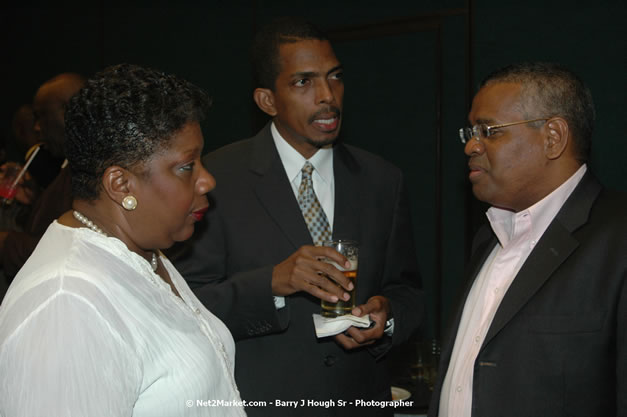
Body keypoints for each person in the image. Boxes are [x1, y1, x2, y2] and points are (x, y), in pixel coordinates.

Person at [170, 17, 423, 416]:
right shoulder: (214, 181)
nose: (328, 96)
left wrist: (386, 318)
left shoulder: (382, 180)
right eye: (303, 82)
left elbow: (408, 290)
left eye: (334, 77)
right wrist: (272, 283)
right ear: (266, 100)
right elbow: (184, 306)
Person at [0, 64, 245, 417]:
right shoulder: (66, 303)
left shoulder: (138, 251)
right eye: (186, 166)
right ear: (121, 185)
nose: (207, 181)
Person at [429, 62, 627, 417]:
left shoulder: (618, 237)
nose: (471, 146)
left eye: (488, 130)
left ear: (553, 137)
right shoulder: (488, 238)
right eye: (471, 131)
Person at [0, 73, 85, 281]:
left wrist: (5, 241)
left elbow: (74, 250)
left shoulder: (88, 171)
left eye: (41, 116)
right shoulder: (71, 164)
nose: (37, 127)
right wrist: (34, 199)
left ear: (68, 111)